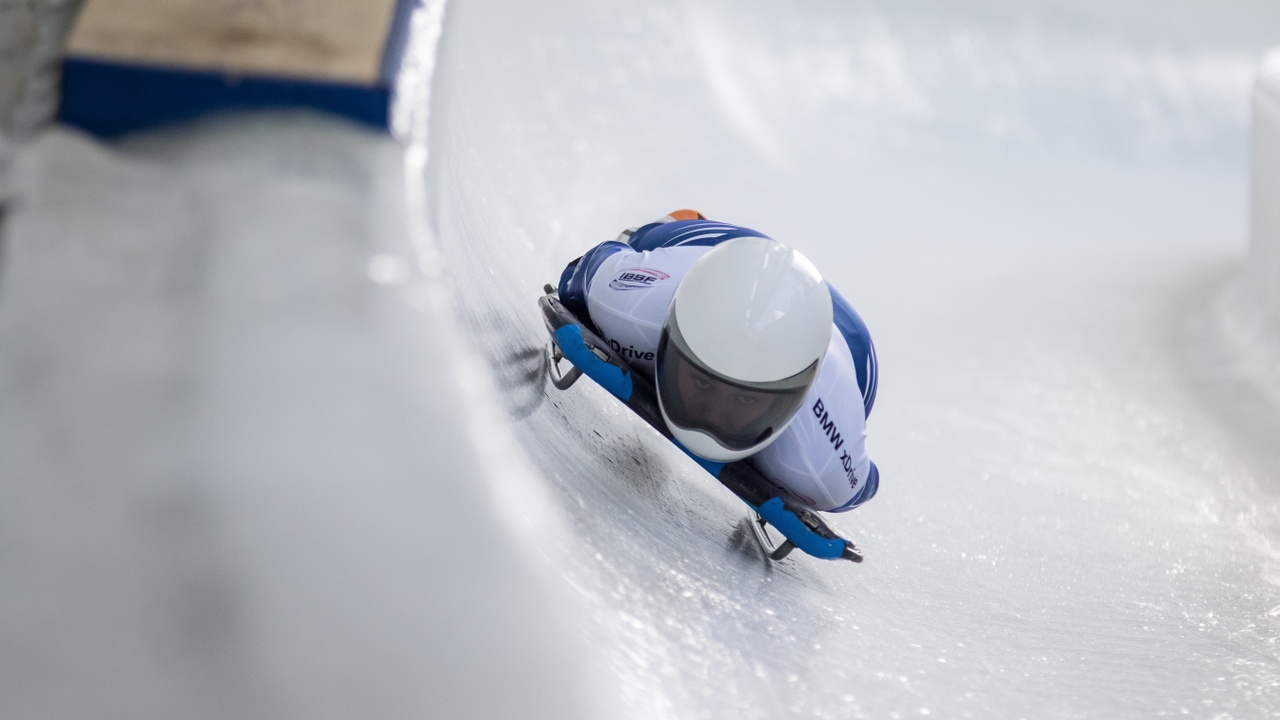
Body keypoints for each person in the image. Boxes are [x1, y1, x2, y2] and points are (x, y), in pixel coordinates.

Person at [556, 210, 879, 516]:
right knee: (641, 240)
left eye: (747, 397)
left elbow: (863, 484)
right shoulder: (627, 307)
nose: (712, 416)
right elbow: (589, 267)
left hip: (849, 345)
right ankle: (681, 222)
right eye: (702, 381)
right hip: (713, 249)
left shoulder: (822, 469)